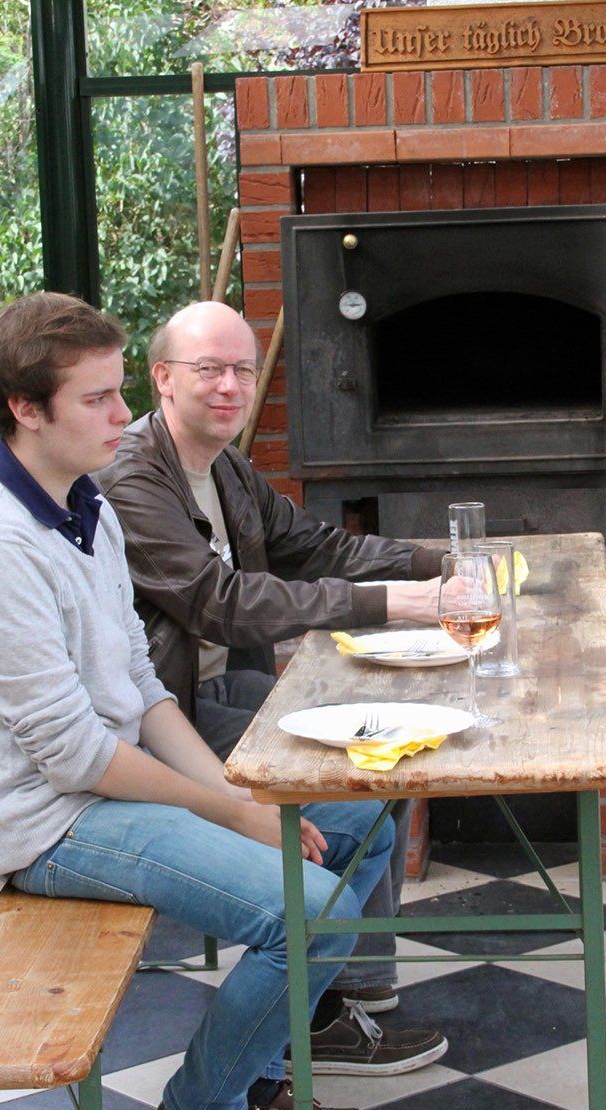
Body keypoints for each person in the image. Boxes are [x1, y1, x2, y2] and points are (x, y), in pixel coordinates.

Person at [0, 291, 398, 1110]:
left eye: (119, 390)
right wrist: (230, 811)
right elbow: (75, 756)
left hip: (111, 783)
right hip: (51, 822)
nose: (122, 414)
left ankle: (258, 1078)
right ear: (26, 409)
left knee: (358, 824)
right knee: (313, 911)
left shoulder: (85, 506)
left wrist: (237, 798)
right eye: (96, 398)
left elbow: (140, 685)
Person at [98, 299, 449, 1070]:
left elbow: (313, 544)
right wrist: (393, 602)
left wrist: (437, 563)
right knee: (357, 791)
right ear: (162, 378)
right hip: (168, 719)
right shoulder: (132, 479)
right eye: (210, 369)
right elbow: (219, 604)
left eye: (243, 370)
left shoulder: (223, 466)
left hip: (225, 692)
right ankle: (323, 1009)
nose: (230, 386)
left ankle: (356, 981)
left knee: (384, 742)